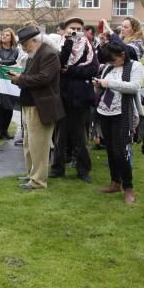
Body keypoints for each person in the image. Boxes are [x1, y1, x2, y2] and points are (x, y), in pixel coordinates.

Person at [7, 25, 63, 190]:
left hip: (41, 106)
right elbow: (31, 76)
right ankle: (32, 174)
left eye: (25, 44)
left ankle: (38, 180)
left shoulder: (49, 54)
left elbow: (43, 78)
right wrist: (17, 77)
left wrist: (21, 79)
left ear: (35, 40)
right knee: (29, 143)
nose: (23, 47)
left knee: (39, 145)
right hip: (30, 103)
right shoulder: (34, 54)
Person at [93, 39, 142, 204]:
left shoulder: (135, 66)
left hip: (123, 112)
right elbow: (102, 88)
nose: (110, 63)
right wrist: (99, 85)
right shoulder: (108, 67)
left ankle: (128, 188)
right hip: (105, 111)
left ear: (122, 54)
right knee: (111, 151)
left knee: (122, 152)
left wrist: (109, 83)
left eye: (112, 59)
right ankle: (115, 183)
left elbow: (134, 86)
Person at [52, 17, 98, 183]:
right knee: (60, 136)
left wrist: (71, 70)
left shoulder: (88, 46)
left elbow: (93, 69)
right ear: (65, 29)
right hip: (63, 97)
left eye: (79, 28)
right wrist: (69, 43)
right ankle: (57, 168)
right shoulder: (59, 44)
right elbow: (60, 63)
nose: (75, 31)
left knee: (81, 138)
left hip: (81, 98)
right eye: (72, 28)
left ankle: (83, 170)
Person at [0, 28, 19, 141]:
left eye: (7, 35)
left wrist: (3, 63)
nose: (4, 37)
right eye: (3, 35)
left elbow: (14, 61)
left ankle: (5, 130)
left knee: (8, 106)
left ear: (11, 37)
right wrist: (5, 62)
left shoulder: (16, 50)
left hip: (10, 80)